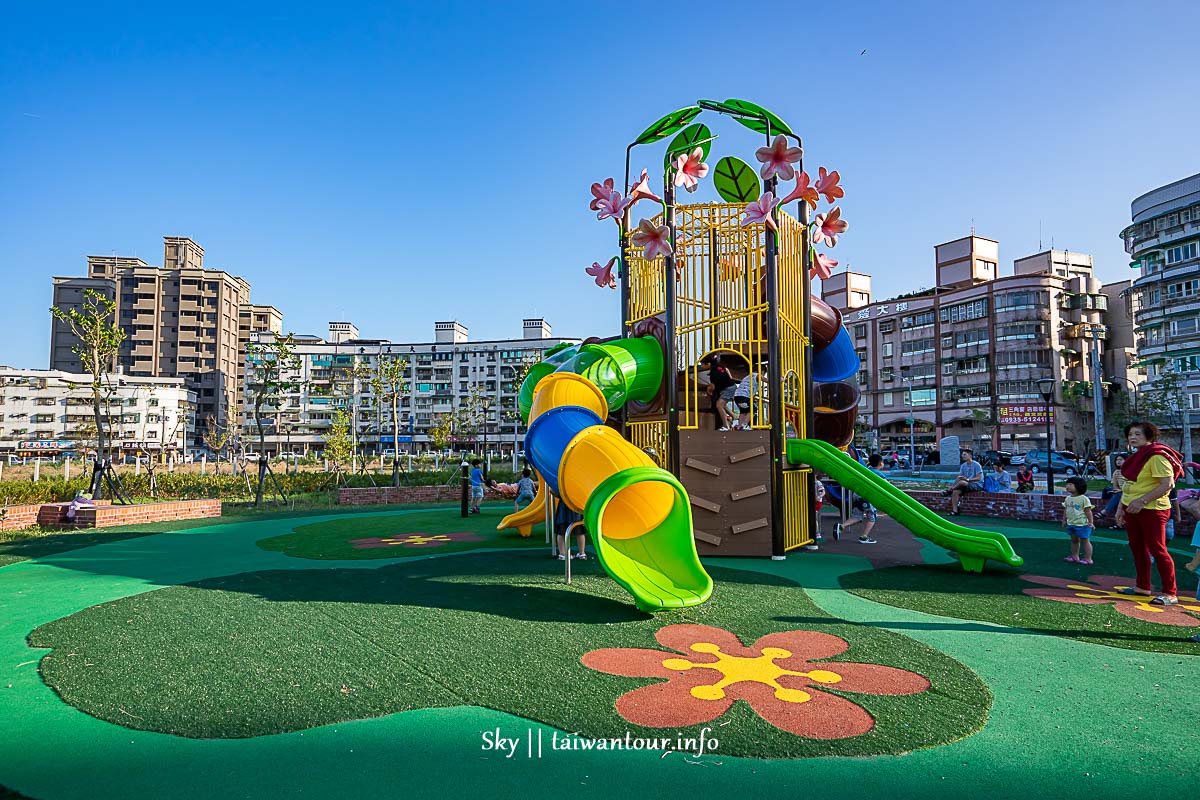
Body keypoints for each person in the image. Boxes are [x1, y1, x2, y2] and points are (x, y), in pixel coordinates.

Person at [1115, 422, 1183, 605]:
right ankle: (1142, 586)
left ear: (1149, 436)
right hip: (1133, 508)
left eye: (1137, 434)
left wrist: (1142, 500)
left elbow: (1167, 484)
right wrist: (1121, 507)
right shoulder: (1137, 456)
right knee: (1137, 547)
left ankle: (1170, 593)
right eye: (1130, 434)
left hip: (1153, 510)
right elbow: (1130, 485)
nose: (1132, 437)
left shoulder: (1157, 456)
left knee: (1158, 549)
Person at [838, 454, 887, 544]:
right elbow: (887, 487)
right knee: (873, 517)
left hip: (857, 496)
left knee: (857, 516)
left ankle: (841, 526)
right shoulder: (880, 475)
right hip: (866, 498)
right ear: (880, 463)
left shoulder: (865, 471)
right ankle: (864, 537)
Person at [1061, 476, 1095, 565]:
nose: (1067, 486)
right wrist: (1064, 520)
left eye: (1070, 484)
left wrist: (1091, 522)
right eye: (1067, 484)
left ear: (1078, 486)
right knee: (1074, 540)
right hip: (1071, 523)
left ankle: (1088, 558)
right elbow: (1066, 509)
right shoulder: (1068, 498)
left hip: (1082, 524)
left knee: (1085, 541)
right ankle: (1075, 556)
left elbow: (1088, 511)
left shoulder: (1084, 499)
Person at [943, 450, 985, 516]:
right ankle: (955, 511)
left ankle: (949, 490)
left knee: (962, 482)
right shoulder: (963, 466)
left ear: (970, 455)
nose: (963, 456)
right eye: (962, 455)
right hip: (965, 484)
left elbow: (979, 478)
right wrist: (955, 483)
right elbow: (960, 476)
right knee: (955, 492)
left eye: (965, 455)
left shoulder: (977, 465)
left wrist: (968, 479)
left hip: (976, 484)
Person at [705, 355, 737, 431]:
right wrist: (729, 378)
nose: (702, 366)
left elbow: (713, 387)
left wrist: (708, 389)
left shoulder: (713, 373)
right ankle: (734, 416)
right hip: (731, 386)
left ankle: (726, 426)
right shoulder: (719, 367)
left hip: (728, 388)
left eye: (702, 364)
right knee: (722, 404)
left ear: (708, 364)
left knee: (719, 405)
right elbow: (727, 370)